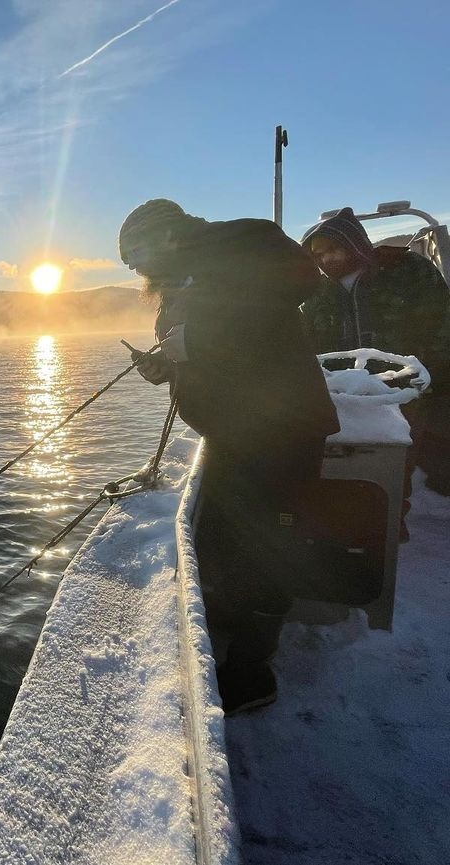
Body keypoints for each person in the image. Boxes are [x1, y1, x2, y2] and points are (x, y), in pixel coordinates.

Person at [118, 199, 339, 715]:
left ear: (168, 236)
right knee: (225, 539)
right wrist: (164, 366)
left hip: (281, 432)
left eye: (137, 256)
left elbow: (298, 284)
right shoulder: (178, 284)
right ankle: (231, 624)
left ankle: (252, 672)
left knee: (269, 545)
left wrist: (195, 341)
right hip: (232, 436)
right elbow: (201, 354)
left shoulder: (246, 239)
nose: (136, 269)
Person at [301, 207, 450, 498]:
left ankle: (392, 522)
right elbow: (309, 342)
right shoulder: (317, 292)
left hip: (406, 391)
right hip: (345, 396)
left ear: (354, 242)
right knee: (348, 469)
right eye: (318, 255)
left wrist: (435, 380)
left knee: (394, 467)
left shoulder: (407, 270)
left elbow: (441, 324)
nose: (327, 259)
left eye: (334, 249)